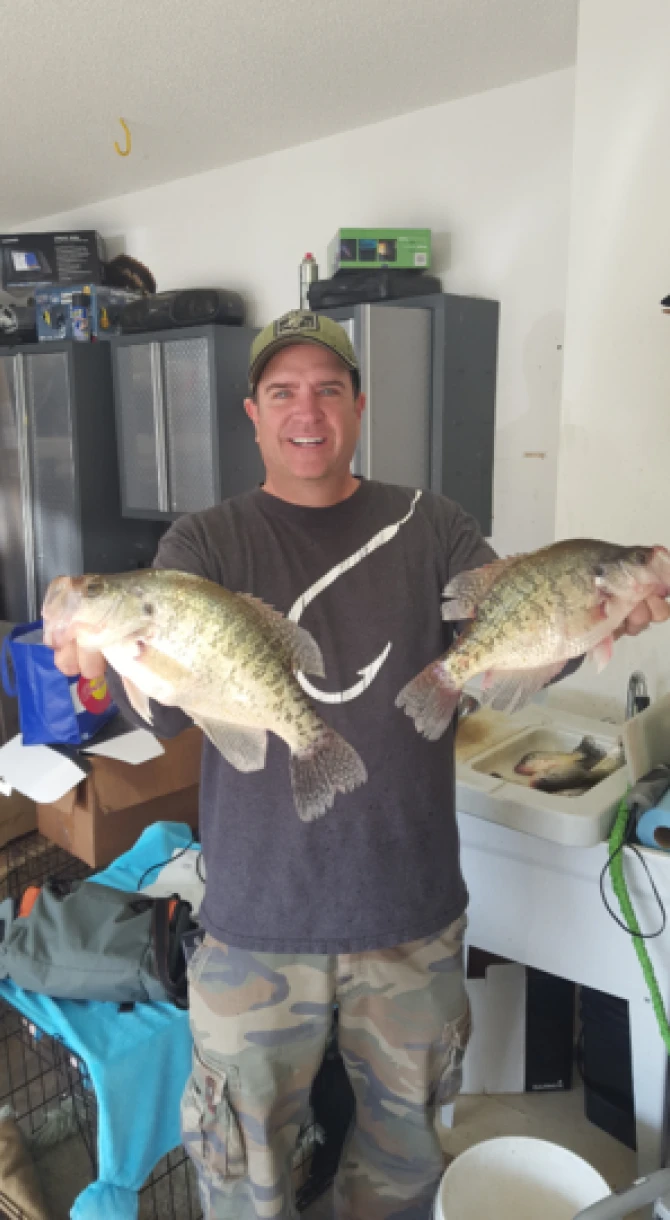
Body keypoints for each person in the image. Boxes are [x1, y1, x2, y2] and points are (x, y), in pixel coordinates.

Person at [52, 309, 669, 1220]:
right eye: (282, 393)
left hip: (410, 913)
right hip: (256, 921)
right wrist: (103, 663)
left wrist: (596, 619)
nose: (307, 411)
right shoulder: (201, 545)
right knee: (246, 1174)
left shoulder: (432, 523)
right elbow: (174, 707)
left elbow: (504, 644)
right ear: (252, 413)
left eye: (328, 390)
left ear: (359, 405)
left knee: (402, 1169)